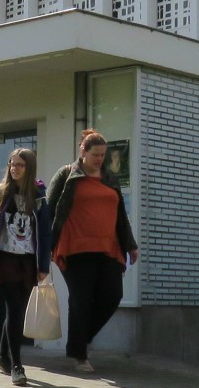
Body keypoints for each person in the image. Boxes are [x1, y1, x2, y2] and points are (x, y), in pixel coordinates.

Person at [43, 130, 139, 373]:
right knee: (81, 299)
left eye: (103, 155)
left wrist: (130, 244)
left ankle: (80, 339)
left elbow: (120, 215)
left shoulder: (110, 178)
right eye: (95, 154)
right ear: (83, 152)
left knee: (112, 295)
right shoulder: (67, 175)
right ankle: (79, 354)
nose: (99, 159)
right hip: (75, 247)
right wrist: (44, 245)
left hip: (108, 247)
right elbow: (49, 210)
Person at [0, 147, 50, 386]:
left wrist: (44, 264)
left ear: (29, 168)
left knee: (17, 310)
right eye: (11, 164)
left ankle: (2, 355)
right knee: (14, 308)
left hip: (28, 259)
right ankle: (17, 365)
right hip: (4, 257)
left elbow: (45, 230)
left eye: (19, 165)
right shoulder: (2, 192)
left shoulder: (38, 195)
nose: (14, 168)